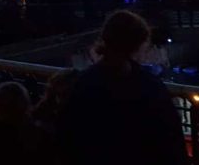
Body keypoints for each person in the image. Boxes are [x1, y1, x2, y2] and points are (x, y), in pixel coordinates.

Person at [57, 10, 187, 165]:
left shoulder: (82, 84)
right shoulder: (150, 87)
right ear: (138, 45)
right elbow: (171, 141)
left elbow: (68, 137)